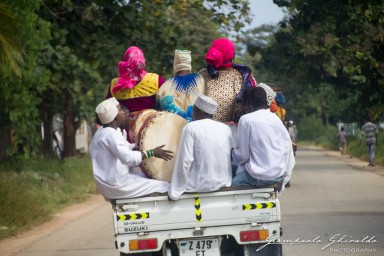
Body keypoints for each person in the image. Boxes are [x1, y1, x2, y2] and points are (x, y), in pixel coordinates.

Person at [89, 98, 173, 199]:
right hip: (118, 184)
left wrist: (140, 145)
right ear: (115, 117)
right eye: (120, 111)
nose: (123, 113)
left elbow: (123, 148)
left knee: (147, 175)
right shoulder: (111, 134)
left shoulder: (102, 132)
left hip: (110, 182)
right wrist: (152, 152)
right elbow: (128, 158)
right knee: (163, 185)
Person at [168, 95, 233, 200]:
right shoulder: (226, 129)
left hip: (198, 185)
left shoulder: (191, 127)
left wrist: (176, 189)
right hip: (223, 182)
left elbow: (185, 161)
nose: (192, 113)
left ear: (200, 112)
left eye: (194, 110)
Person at [231, 87, 295, 191]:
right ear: (266, 102)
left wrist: (232, 154)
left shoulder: (246, 120)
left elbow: (243, 155)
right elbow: (286, 148)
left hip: (256, 176)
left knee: (230, 186)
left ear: (248, 104)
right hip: (277, 176)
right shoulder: (275, 119)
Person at [198, 38, 256, 123]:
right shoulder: (242, 76)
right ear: (232, 56)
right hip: (230, 131)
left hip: (204, 129)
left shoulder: (203, 73)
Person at [105, 46, 166, 113]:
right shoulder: (155, 80)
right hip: (152, 122)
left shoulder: (115, 84)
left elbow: (107, 111)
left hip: (129, 123)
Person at [157, 50, 205, 121]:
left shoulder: (165, 86)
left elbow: (158, 108)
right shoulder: (200, 80)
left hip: (173, 129)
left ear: (175, 65)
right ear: (189, 64)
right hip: (197, 128)